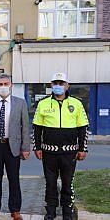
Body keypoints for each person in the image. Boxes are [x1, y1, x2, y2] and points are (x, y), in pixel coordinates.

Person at [32, 73, 89, 220]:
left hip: (70, 153)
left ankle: (67, 212)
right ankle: (50, 211)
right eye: (55, 83)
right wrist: (37, 147)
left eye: (61, 83)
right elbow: (37, 128)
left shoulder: (77, 103)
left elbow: (83, 128)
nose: (58, 86)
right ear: (51, 85)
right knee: (50, 183)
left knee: (67, 184)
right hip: (48, 152)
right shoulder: (43, 103)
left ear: (67, 85)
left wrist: (83, 149)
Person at [0, 74, 30, 220]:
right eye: (0, 84)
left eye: (5, 83)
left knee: (14, 179)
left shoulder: (20, 103)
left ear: (11, 85)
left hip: (12, 146)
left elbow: (25, 127)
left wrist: (25, 148)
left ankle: (15, 210)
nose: (3, 86)